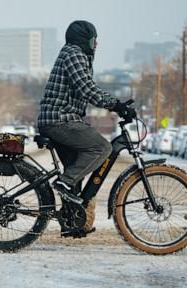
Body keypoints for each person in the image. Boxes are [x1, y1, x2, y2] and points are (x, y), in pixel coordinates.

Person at [38, 20, 134, 205]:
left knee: (76, 170)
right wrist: (116, 105)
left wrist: (117, 105)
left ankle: (72, 222)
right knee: (102, 148)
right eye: (93, 40)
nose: (96, 44)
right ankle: (63, 183)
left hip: (61, 119)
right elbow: (87, 88)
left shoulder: (75, 54)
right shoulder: (74, 54)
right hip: (60, 120)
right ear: (84, 40)